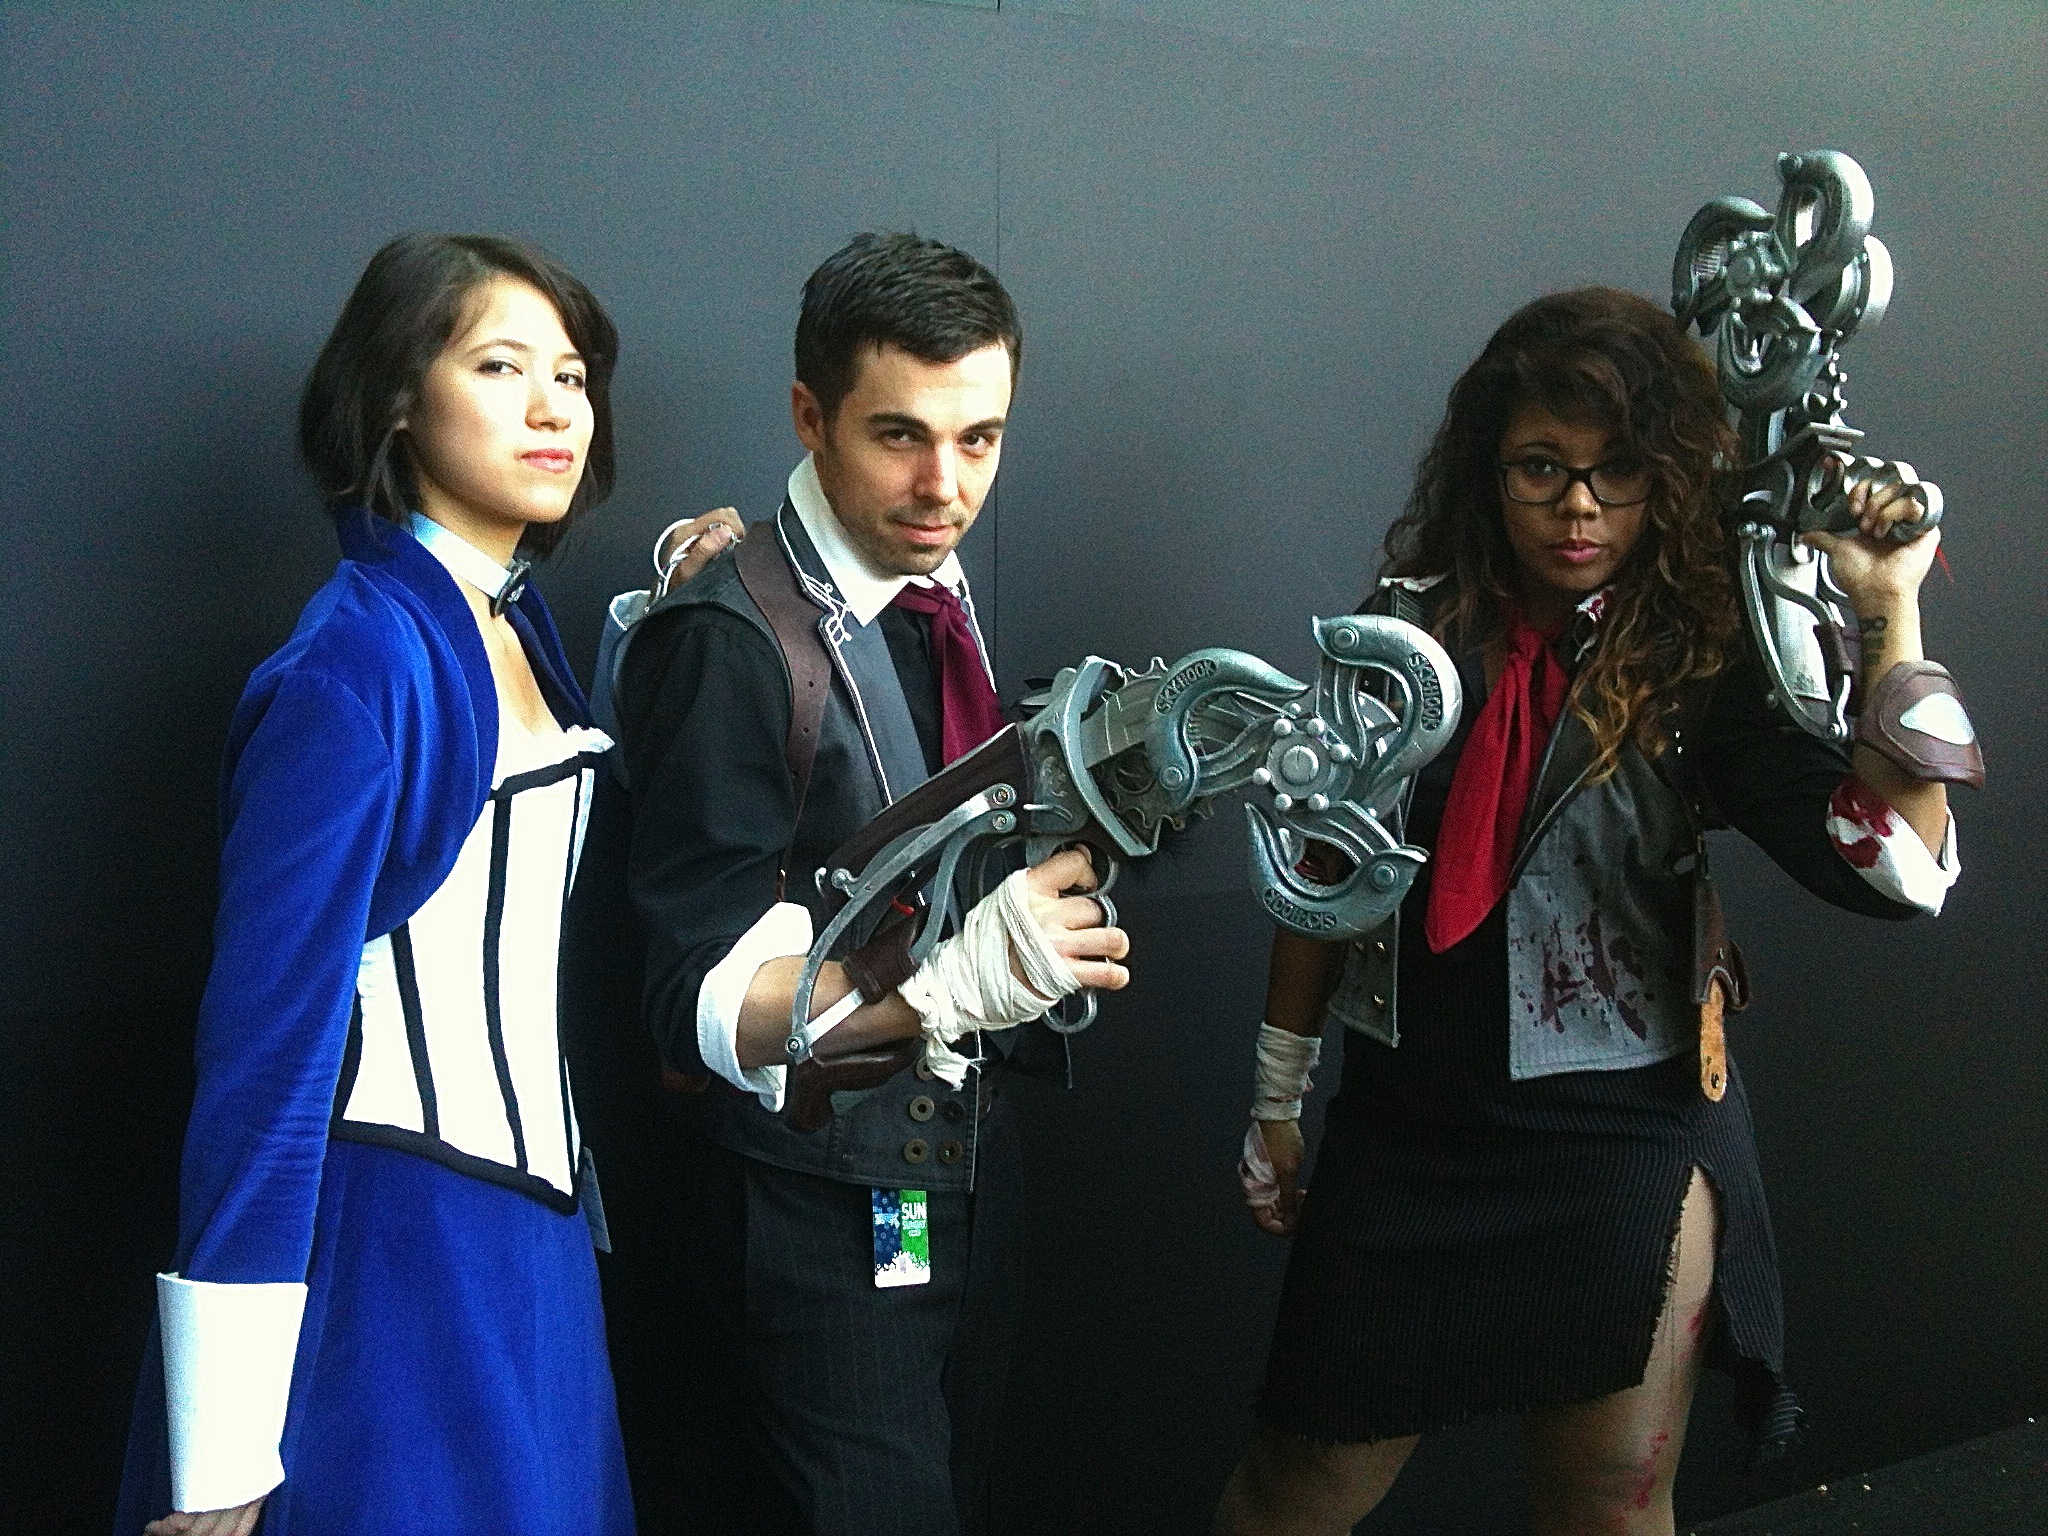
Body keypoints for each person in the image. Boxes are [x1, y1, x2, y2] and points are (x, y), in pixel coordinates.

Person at [1214, 287, 1968, 1536]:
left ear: (1664, 478)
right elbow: (1321, 869)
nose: (1578, 507)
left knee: (1608, 1504)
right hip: (1411, 1131)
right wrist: (1275, 1095)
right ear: (1487, 471)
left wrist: (1888, 608)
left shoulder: (1702, 658)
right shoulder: (1408, 630)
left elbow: (1896, 872)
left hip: (1621, 1137)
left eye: (1615, 471)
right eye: (1540, 469)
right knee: (1290, 1494)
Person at [114, 232, 732, 1535]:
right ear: (397, 396)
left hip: (535, 1256)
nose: (553, 407)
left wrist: (673, 609)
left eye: (571, 375)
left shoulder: (508, 617)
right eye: (500, 366)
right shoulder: (353, 665)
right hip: (393, 1257)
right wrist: (222, 1436)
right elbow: (266, 1049)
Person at [609, 231, 1130, 1536]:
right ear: (809, 415)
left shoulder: (925, 585)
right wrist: (949, 982)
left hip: (966, 1175)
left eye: (979, 439)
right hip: (809, 1209)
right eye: (900, 435)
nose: (944, 485)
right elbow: (697, 1004)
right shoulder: (731, 639)